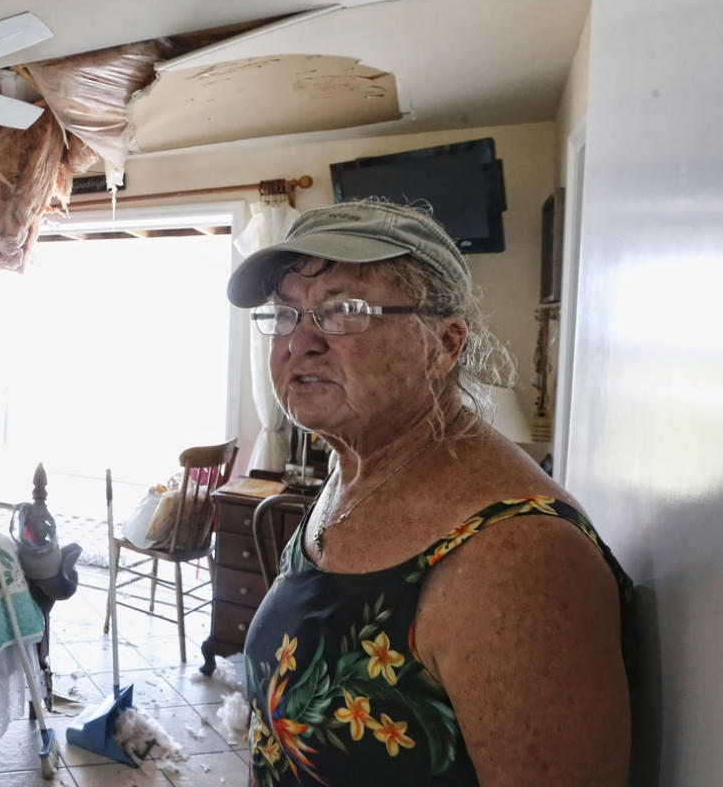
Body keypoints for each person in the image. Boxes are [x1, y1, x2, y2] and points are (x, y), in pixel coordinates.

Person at [227, 200, 634, 786]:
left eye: (344, 311)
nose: (301, 342)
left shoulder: (519, 559)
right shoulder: (353, 469)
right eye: (286, 314)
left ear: (445, 344)